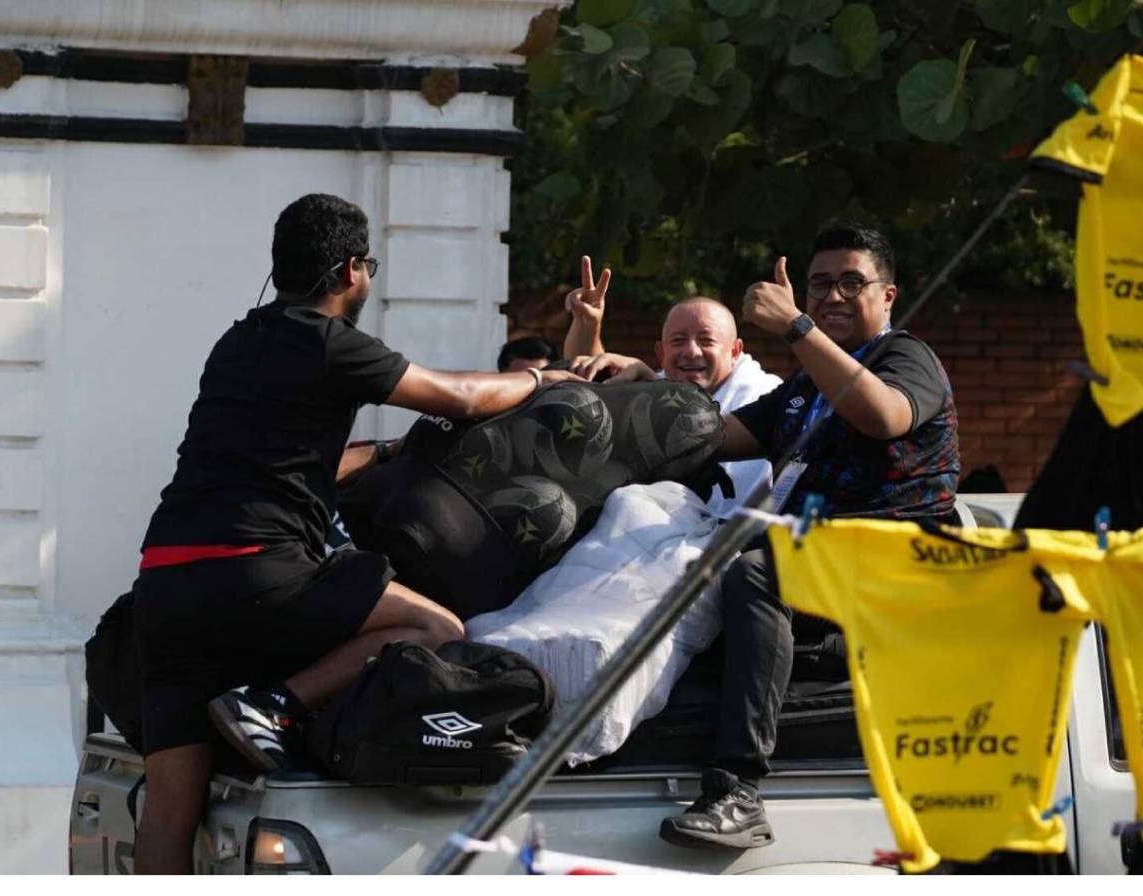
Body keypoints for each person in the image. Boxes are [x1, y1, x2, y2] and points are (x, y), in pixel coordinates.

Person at [129, 193, 577, 873]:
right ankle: (272, 705)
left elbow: (302, 462)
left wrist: (390, 452)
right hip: (257, 568)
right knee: (437, 630)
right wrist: (541, 377)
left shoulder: (237, 342)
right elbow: (458, 399)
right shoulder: (333, 343)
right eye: (368, 265)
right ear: (350, 271)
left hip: (165, 580)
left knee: (168, 814)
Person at [578, 225, 960, 851]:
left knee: (756, 570)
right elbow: (717, 434)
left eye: (850, 283)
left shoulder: (904, 356)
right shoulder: (805, 385)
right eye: (819, 285)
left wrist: (796, 329)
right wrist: (640, 391)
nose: (832, 296)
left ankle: (737, 791)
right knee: (680, 567)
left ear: (887, 295)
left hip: (897, 570)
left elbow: (885, 417)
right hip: (824, 580)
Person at [564, 263, 780, 513]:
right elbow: (592, 388)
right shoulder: (650, 390)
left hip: (737, 543)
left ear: (735, 352)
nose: (691, 352)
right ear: (661, 352)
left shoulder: (767, 397)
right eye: (678, 341)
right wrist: (586, 324)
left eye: (706, 340)